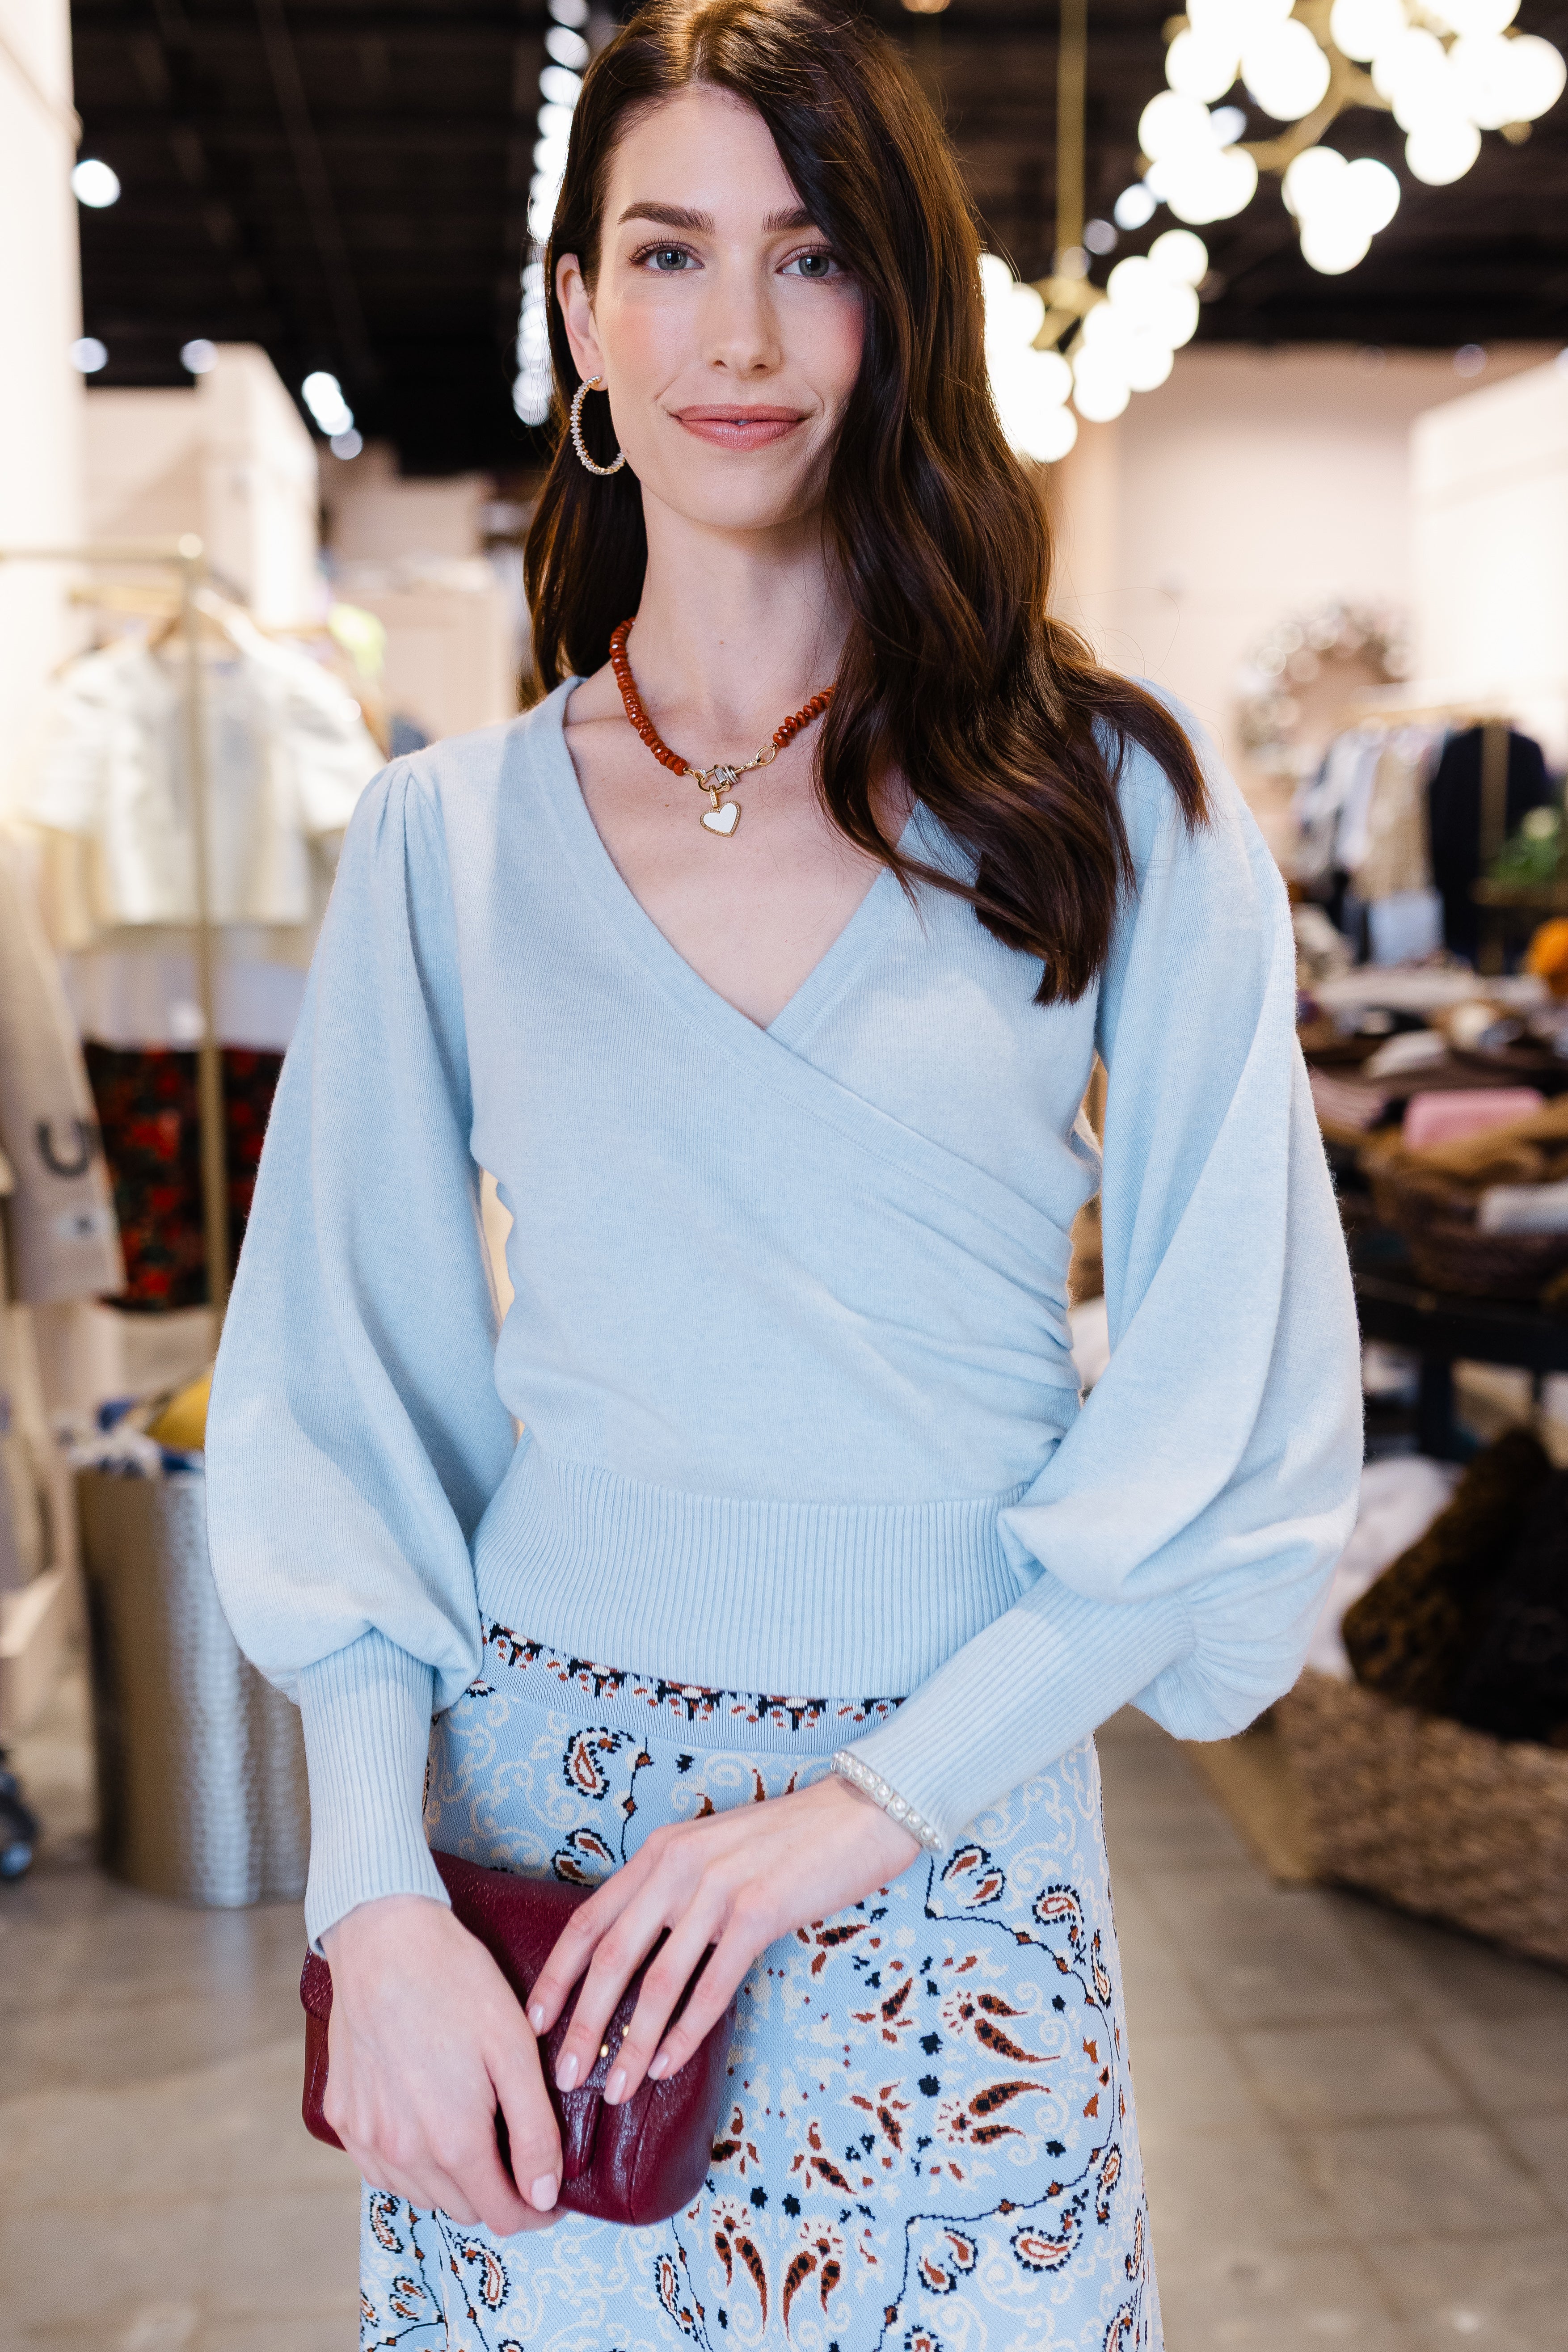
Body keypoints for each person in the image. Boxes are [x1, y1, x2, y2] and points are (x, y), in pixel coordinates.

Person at [206, 1, 1362, 2343]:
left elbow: (1215, 1411)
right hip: (539, 1872)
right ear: (576, 316)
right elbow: (348, 1405)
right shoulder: (444, 844)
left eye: (814, 254)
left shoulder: (1116, 807)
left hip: (947, 1829)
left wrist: (857, 1814)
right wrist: (366, 1899)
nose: (735, 333)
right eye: (664, 251)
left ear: (900, 309)